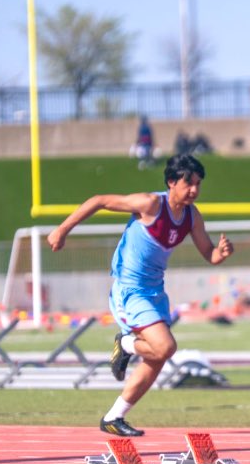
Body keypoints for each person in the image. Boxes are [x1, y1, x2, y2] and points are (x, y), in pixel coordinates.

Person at [46, 154, 234, 437]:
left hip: (156, 292)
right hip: (129, 290)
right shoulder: (150, 204)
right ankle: (126, 344)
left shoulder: (192, 216)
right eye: (189, 183)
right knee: (166, 347)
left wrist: (221, 253)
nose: (194, 190)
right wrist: (62, 230)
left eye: (198, 184)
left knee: (158, 358)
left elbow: (209, 253)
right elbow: (99, 200)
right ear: (171, 182)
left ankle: (114, 416)